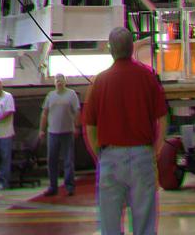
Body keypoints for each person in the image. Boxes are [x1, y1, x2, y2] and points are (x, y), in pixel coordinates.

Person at [82, 27, 168, 235]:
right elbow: (163, 116)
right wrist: (157, 147)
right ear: (132, 48)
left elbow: (89, 126)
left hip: (110, 157)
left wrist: (100, 155)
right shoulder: (148, 76)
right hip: (142, 155)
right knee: (145, 220)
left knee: (109, 223)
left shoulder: (99, 81)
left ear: (111, 49)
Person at [39, 72, 81, 196]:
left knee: (68, 160)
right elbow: (45, 113)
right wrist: (41, 129)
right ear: (54, 82)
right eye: (57, 79)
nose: (59, 81)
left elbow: (77, 112)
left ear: (65, 82)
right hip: (52, 133)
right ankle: (53, 187)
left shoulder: (71, 94)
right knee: (52, 160)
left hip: (67, 132)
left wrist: (77, 127)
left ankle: (69, 187)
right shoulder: (50, 96)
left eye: (61, 79)